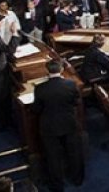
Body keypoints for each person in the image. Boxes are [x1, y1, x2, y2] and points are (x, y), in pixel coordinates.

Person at [32, 60, 84, 192]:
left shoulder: (40, 89)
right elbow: (77, 102)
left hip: (49, 126)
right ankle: (78, 179)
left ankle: (57, 185)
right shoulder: (71, 85)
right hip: (68, 122)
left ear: (47, 71)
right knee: (74, 152)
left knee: (53, 157)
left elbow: (36, 109)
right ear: (61, 70)